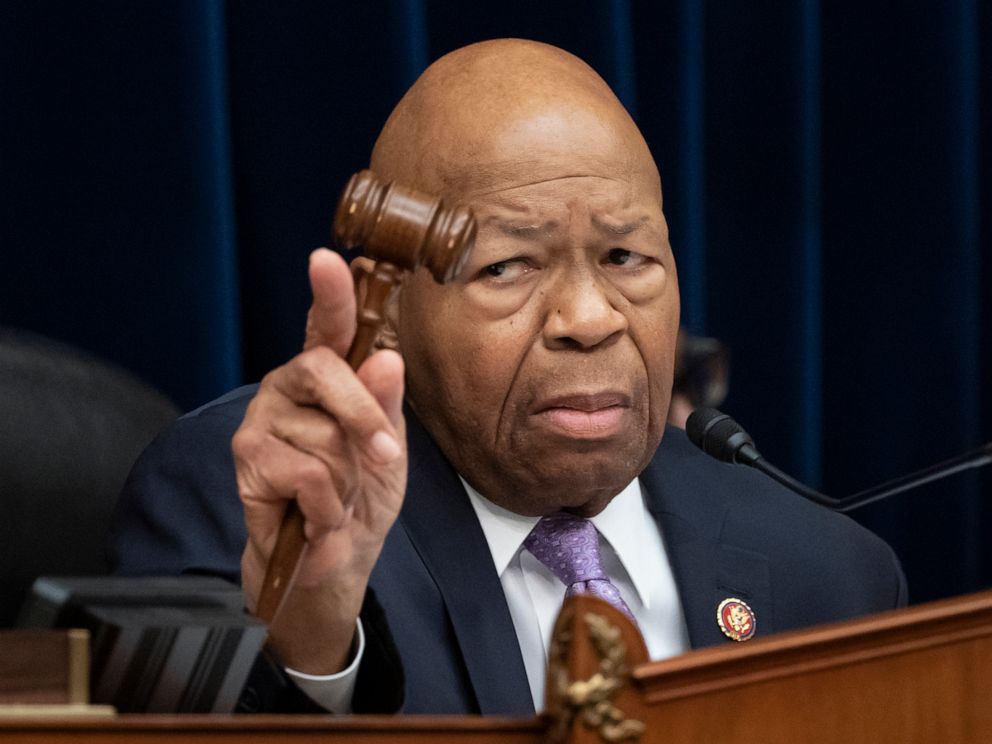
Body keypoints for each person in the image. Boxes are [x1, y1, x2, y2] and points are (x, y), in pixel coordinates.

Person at [109, 39, 906, 716]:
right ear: (388, 310)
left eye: (627, 258)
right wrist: (310, 632)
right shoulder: (257, 498)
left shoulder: (830, 574)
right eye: (508, 266)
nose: (589, 318)